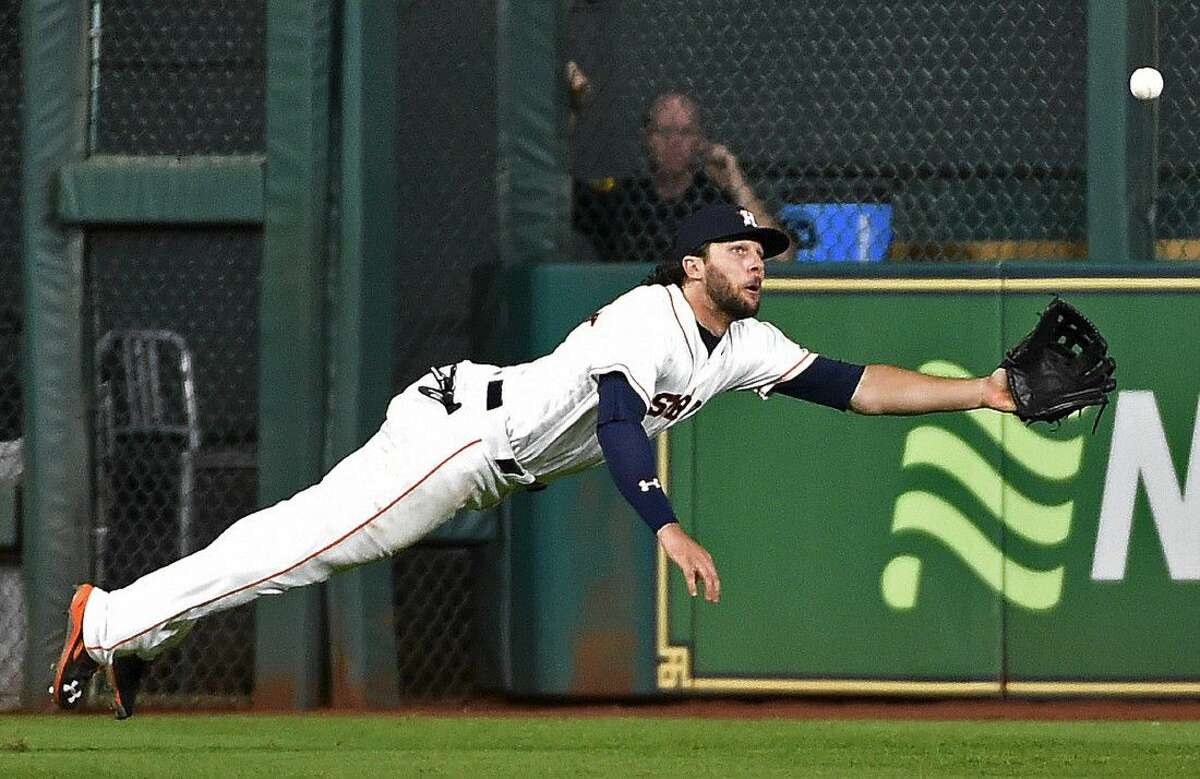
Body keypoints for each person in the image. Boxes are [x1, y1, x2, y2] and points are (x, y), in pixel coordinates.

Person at [52, 204, 1016, 719]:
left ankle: (129, 630)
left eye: (763, 250)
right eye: (740, 248)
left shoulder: (739, 346)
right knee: (307, 542)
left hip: (483, 439)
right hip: (461, 435)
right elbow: (619, 424)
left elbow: (854, 385)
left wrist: (978, 390)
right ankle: (112, 620)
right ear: (692, 266)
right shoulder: (650, 319)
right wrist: (668, 526)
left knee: (307, 546)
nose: (759, 259)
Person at [574, 89, 784, 263]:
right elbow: (558, 193)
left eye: (684, 132)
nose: (673, 142)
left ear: (700, 140)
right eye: (664, 131)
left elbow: (783, 257)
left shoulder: (716, 202)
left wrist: (735, 183)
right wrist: (574, 108)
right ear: (647, 138)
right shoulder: (622, 198)